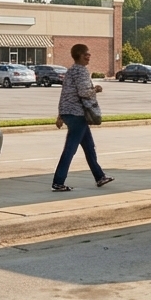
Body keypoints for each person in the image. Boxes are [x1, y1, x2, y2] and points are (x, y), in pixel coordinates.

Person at [51, 44, 114, 192]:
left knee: (89, 148)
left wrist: (61, 115)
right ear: (80, 55)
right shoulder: (81, 71)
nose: (89, 56)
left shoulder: (70, 71)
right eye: (87, 54)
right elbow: (84, 92)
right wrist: (96, 89)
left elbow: (66, 94)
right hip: (76, 114)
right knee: (70, 149)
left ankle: (100, 177)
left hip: (69, 112)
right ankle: (58, 182)